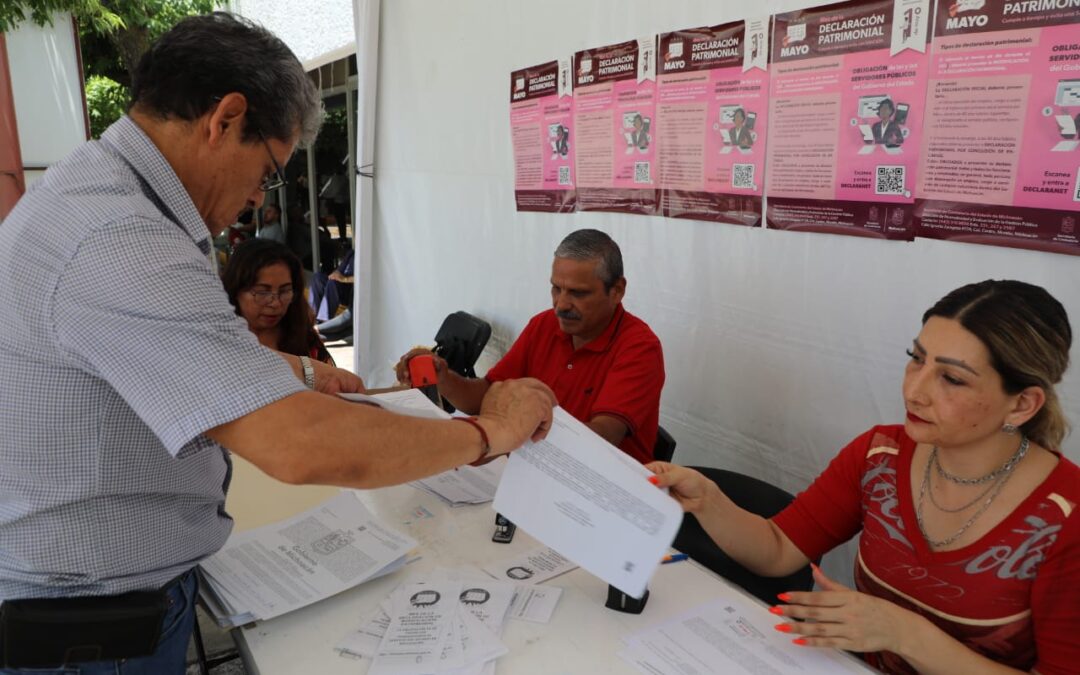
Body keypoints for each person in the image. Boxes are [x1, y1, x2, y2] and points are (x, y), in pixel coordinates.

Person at [0, 13, 554, 674]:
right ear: (226, 118)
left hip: (91, 604)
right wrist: (488, 433)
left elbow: (153, 349)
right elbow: (299, 445)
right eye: (267, 169)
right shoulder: (121, 236)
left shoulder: (100, 195)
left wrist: (296, 369)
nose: (257, 197)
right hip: (89, 629)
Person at [648, 280, 1079, 674]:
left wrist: (906, 634)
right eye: (916, 359)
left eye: (951, 378)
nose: (915, 390)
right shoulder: (881, 455)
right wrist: (709, 500)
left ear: (1022, 405)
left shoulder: (1066, 516)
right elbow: (779, 549)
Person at [396, 229, 665, 464]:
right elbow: (485, 396)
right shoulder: (544, 325)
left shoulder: (640, 348)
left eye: (578, 293)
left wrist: (516, 424)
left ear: (617, 290)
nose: (561, 304)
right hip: (534, 472)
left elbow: (602, 440)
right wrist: (444, 379)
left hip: (602, 491)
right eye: (556, 289)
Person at [224, 238, 333, 364]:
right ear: (235, 291)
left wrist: (306, 371)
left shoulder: (304, 337)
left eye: (284, 291)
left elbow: (330, 377)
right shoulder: (217, 340)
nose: (275, 303)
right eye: (262, 292)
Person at [309, 246, 355, 322]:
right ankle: (311, 319)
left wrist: (344, 279)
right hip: (340, 285)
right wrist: (335, 274)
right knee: (317, 278)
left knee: (333, 282)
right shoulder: (352, 253)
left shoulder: (368, 258)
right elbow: (338, 271)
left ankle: (322, 321)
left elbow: (364, 279)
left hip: (351, 291)